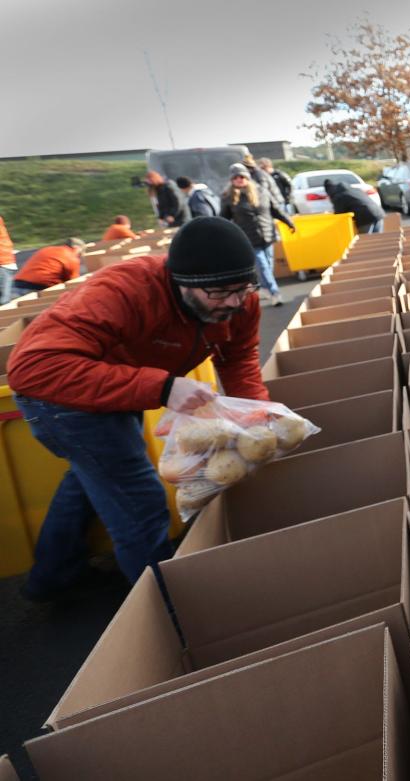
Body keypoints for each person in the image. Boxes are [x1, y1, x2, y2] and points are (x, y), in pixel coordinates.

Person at [8, 217, 270, 601]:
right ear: (183, 283)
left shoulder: (239, 301)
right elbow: (31, 368)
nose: (234, 301)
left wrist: (257, 416)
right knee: (139, 500)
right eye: (219, 293)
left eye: (243, 289)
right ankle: (169, 611)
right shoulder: (123, 291)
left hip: (118, 387)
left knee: (93, 476)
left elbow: (238, 357)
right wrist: (162, 386)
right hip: (59, 397)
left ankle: (53, 577)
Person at [221, 163, 294, 306]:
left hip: (267, 234)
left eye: (242, 176)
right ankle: (275, 293)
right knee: (262, 265)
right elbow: (224, 218)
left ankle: (265, 286)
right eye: (235, 177)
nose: (239, 179)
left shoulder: (261, 191)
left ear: (247, 177)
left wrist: (289, 222)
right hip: (249, 239)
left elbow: (275, 210)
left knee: (268, 265)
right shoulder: (228, 197)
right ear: (232, 180)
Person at [9, 238, 85, 298]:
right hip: (39, 287)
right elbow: (73, 282)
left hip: (18, 283)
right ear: (77, 248)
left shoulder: (47, 249)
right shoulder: (71, 257)